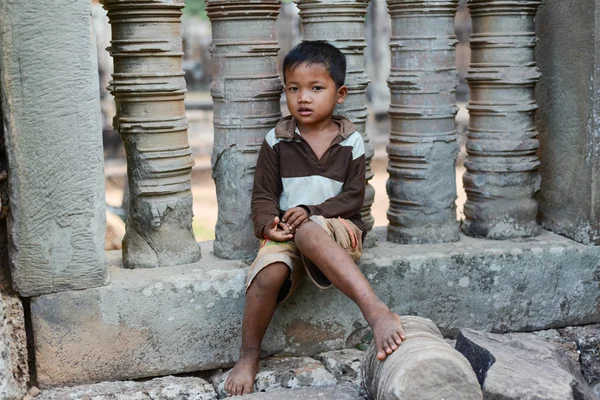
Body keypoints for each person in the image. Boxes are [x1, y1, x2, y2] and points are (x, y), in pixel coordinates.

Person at [224, 41, 405, 396]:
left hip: (337, 229)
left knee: (308, 231)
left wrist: (313, 212)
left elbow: (354, 197)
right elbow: (263, 195)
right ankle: (248, 355)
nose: (303, 97)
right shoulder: (277, 141)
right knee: (268, 273)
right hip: (288, 233)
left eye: (315, 88)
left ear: (340, 95)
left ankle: (375, 310)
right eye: (294, 88)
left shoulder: (350, 141)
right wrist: (267, 226)